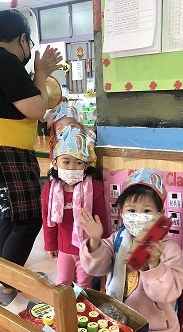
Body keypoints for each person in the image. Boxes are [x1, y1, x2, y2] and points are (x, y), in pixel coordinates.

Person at [0, 9, 62, 313]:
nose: (29, 53)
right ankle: (5, 286)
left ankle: (7, 284)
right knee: (27, 220)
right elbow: (37, 108)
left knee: (9, 218)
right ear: (22, 39)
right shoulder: (3, 62)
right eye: (29, 45)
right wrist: (41, 73)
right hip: (1, 162)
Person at [77, 168, 183, 332]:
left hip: (153, 327)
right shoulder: (118, 239)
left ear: (159, 215)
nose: (138, 216)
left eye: (146, 211)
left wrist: (154, 263)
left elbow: (167, 293)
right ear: (122, 213)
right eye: (131, 210)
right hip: (116, 318)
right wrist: (95, 241)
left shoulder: (168, 249)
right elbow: (96, 268)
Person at [40, 103, 109, 289]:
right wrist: (50, 245)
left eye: (78, 163)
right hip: (63, 248)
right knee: (63, 282)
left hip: (87, 248)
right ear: (55, 163)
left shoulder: (94, 187)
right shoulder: (50, 190)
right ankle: (65, 307)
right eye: (66, 162)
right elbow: (47, 220)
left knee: (84, 285)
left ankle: (81, 308)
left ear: (86, 165)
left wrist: (103, 245)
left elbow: (100, 217)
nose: (72, 167)